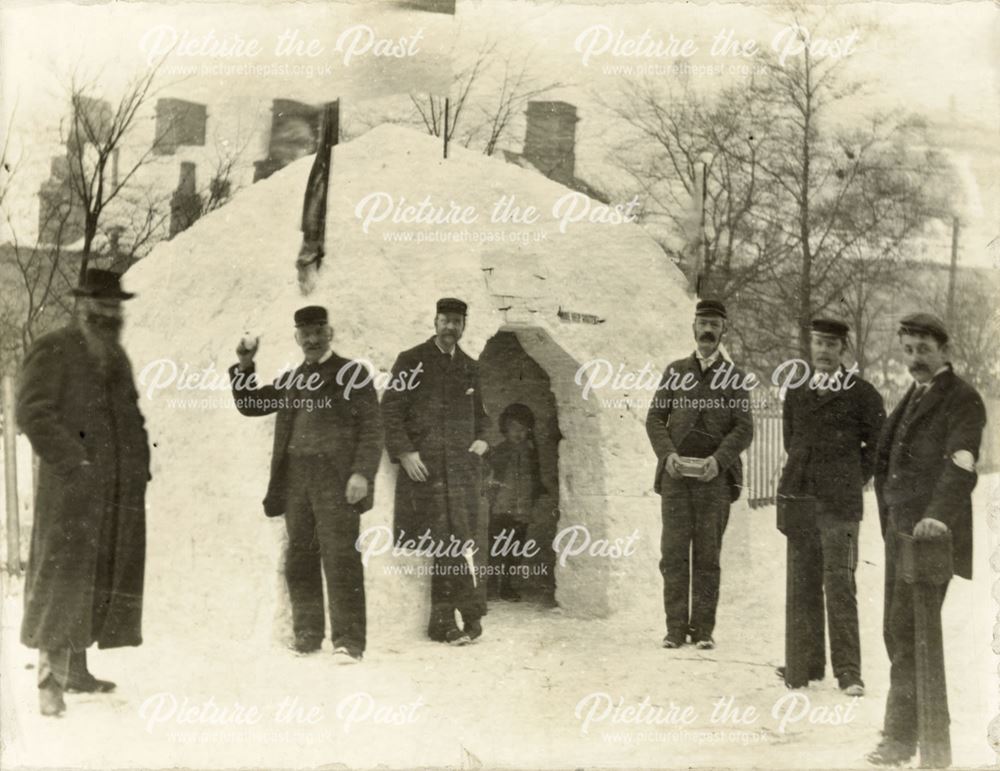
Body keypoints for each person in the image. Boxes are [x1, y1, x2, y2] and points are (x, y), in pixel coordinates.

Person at [16, 268, 151, 716]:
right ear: (82, 304)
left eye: (115, 305)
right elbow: (31, 412)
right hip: (71, 489)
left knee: (94, 580)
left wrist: (138, 467)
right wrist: (75, 462)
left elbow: (130, 416)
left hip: (113, 492)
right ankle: (48, 684)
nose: (109, 311)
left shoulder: (115, 356)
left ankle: (76, 671)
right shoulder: (54, 346)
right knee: (60, 583)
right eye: (100, 303)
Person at [229, 305, 383, 664]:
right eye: (305, 333)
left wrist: (362, 472)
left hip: (336, 482)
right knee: (300, 557)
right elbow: (251, 404)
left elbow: (373, 428)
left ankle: (349, 642)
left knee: (341, 557)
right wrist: (244, 366)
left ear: (330, 332)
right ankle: (308, 635)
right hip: (296, 481)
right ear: (296, 337)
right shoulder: (292, 378)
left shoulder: (352, 373)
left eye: (318, 331)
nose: (312, 339)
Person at [867, 313, 986, 766]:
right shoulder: (914, 396)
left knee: (910, 632)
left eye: (923, 350)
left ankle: (912, 742)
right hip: (901, 535)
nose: (915, 359)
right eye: (909, 350)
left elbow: (961, 464)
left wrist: (937, 517)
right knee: (897, 631)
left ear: (944, 350)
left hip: (931, 539)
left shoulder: (963, 399)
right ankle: (911, 735)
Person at [775, 318, 885, 695]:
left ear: (843, 351)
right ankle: (805, 664)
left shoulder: (862, 394)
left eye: (831, 345)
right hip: (802, 500)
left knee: (839, 584)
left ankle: (849, 672)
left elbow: (878, 448)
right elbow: (792, 440)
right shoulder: (797, 391)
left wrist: (852, 476)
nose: (823, 351)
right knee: (803, 582)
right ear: (811, 346)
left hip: (840, 505)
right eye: (818, 343)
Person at [645, 299, 754, 650]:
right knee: (674, 554)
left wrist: (718, 461)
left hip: (714, 480)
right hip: (676, 478)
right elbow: (654, 419)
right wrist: (669, 455)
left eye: (714, 325)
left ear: (724, 330)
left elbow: (744, 427)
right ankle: (675, 629)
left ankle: (703, 629)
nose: (707, 330)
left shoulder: (734, 377)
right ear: (693, 327)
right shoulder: (675, 371)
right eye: (702, 323)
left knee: (708, 556)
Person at [381, 297, 490, 646]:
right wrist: (405, 452)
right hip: (424, 472)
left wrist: (483, 442)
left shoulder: (471, 367)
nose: (450, 327)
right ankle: (465, 615)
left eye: (457, 322)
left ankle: (449, 620)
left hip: (459, 473)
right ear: (434, 321)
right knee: (446, 541)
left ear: (463, 326)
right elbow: (390, 412)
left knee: (452, 542)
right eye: (445, 320)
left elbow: (484, 418)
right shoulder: (411, 361)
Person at [485, 403, 546, 602]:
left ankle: (507, 586)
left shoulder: (531, 453)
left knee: (516, 549)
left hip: (522, 509)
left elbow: (535, 478)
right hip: (500, 508)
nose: (518, 433)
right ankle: (491, 584)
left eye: (523, 429)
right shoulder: (500, 451)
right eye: (513, 428)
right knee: (495, 547)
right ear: (505, 428)